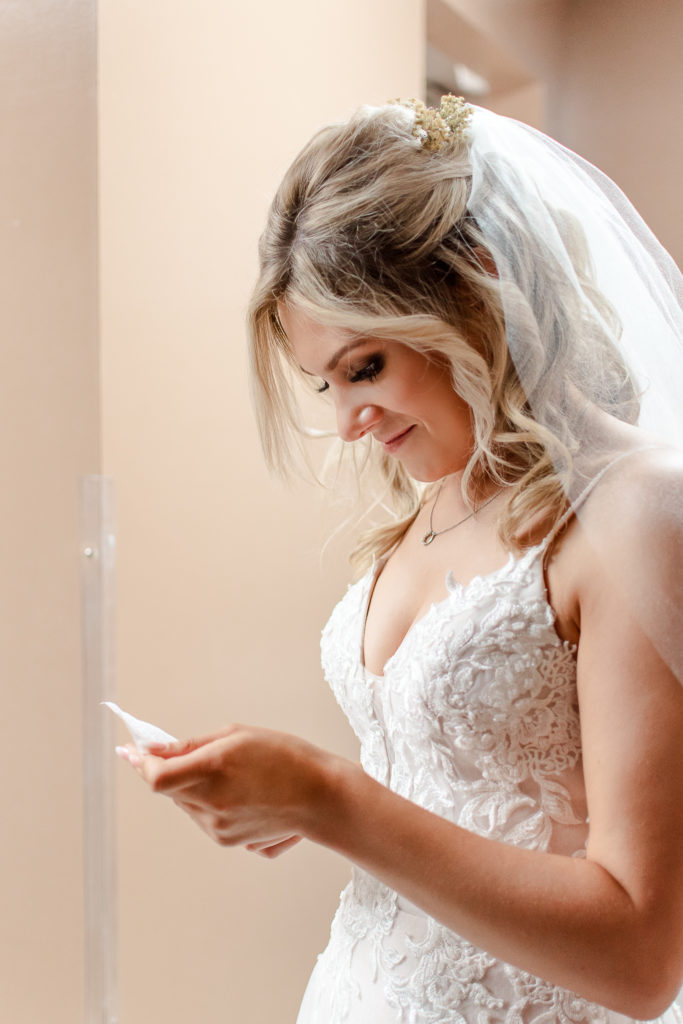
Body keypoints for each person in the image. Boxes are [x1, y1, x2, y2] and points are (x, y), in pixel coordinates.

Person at [119, 97, 683, 1023]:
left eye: (367, 366)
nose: (346, 422)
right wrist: (283, 800)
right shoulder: (438, 498)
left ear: (477, 291)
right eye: (325, 384)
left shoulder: (637, 509)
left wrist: (330, 800)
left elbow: (640, 956)